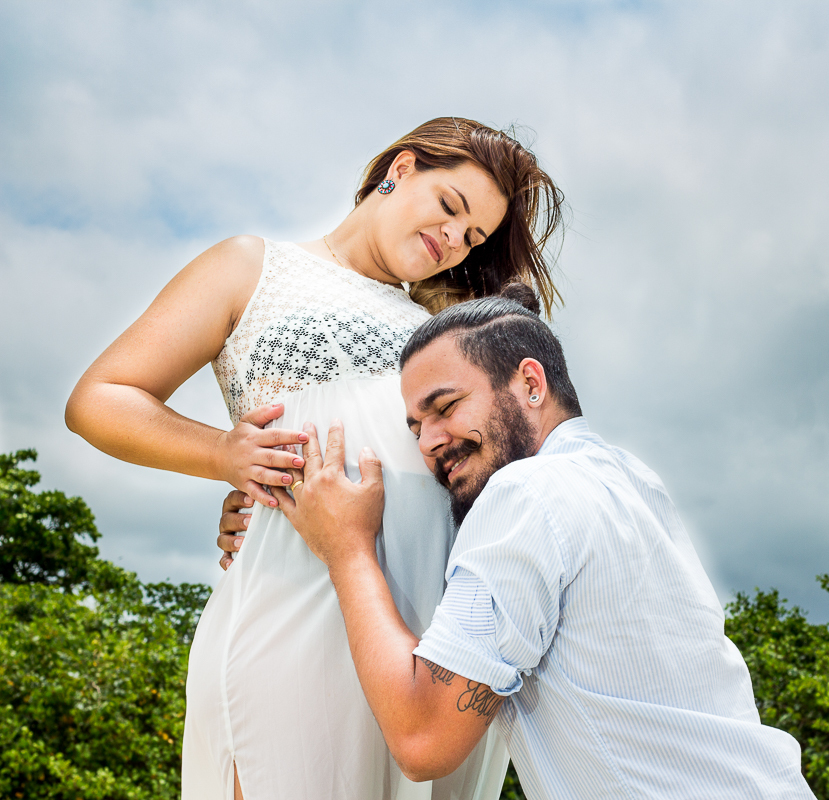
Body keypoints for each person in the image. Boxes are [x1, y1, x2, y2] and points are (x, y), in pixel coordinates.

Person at [65, 118, 565, 800]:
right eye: (451, 207)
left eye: (472, 236)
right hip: (296, 595)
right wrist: (222, 454)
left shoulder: (451, 324)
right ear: (403, 167)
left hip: (431, 633)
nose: (454, 238)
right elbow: (102, 397)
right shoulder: (256, 267)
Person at [267, 286, 818, 799]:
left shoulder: (526, 493)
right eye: (414, 428)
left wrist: (348, 550)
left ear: (531, 384)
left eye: (446, 406)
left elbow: (424, 740)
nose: (429, 443)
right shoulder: (631, 479)